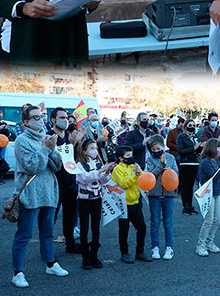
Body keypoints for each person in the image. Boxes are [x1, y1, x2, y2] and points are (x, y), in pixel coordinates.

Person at [11, 103, 68, 288]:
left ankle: (50, 263)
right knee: (24, 234)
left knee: (48, 232)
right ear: (26, 122)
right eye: (36, 117)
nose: (40, 120)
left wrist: (51, 149)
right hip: (30, 194)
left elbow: (57, 165)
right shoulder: (21, 140)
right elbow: (32, 166)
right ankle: (18, 272)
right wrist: (45, 149)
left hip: (49, 192)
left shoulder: (47, 137)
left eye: (41, 116)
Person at [75, 138, 112, 270]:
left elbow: (103, 180)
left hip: (96, 199)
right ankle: (85, 256)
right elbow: (85, 178)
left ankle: (94, 254)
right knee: (84, 228)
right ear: (84, 151)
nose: (94, 151)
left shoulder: (98, 164)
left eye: (95, 148)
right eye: (91, 148)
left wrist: (107, 172)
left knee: (96, 227)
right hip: (84, 200)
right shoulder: (79, 165)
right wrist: (102, 170)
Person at [49, 108, 80, 256]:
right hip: (55, 183)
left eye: (67, 117)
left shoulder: (70, 137)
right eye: (62, 117)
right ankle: (47, 247)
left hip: (71, 183)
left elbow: (77, 159)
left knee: (70, 215)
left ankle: (70, 243)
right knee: (51, 216)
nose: (66, 120)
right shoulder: (49, 137)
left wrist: (76, 144)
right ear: (53, 120)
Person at [111, 144, 148, 264]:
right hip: (124, 204)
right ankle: (124, 253)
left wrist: (139, 173)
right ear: (121, 158)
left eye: (131, 155)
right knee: (124, 230)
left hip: (136, 202)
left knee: (142, 228)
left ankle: (140, 251)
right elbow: (123, 183)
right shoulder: (117, 169)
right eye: (128, 156)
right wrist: (135, 176)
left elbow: (143, 180)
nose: (131, 158)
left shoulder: (133, 166)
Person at [144, 136, 177, 260]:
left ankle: (169, 247)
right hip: (154, 194)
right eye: (154, 149)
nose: (157, 150)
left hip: (168, 194)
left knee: (168, 223)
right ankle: (155, 247)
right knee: (155, 222)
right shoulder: (150, 160)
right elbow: (150, 175)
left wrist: (168, 169)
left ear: (164, 147)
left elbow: (176, 173)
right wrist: (161, 166)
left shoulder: (171, 158)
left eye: (159, 148)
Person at [195, 140, 220, 256]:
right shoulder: (205, 162)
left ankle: (210, 241)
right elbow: (214, 177)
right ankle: (201, 244)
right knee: (209, 220)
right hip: (208, 193)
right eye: (218, 148)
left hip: (216, 192)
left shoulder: (216, 161)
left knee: (217, 219)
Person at [175, 121, 199, 215]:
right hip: (185, 163)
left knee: (191, 186)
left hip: (195, 162)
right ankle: (185, 206)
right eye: (190, 125)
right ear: (185, 126)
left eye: (193, 125)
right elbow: (180, 150)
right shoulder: (181, 137)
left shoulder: (195, 137)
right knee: (185, 185)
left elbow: (197, 150)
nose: (192, 127)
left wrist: (201, 147)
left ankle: (190, 204)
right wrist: (193, 148)